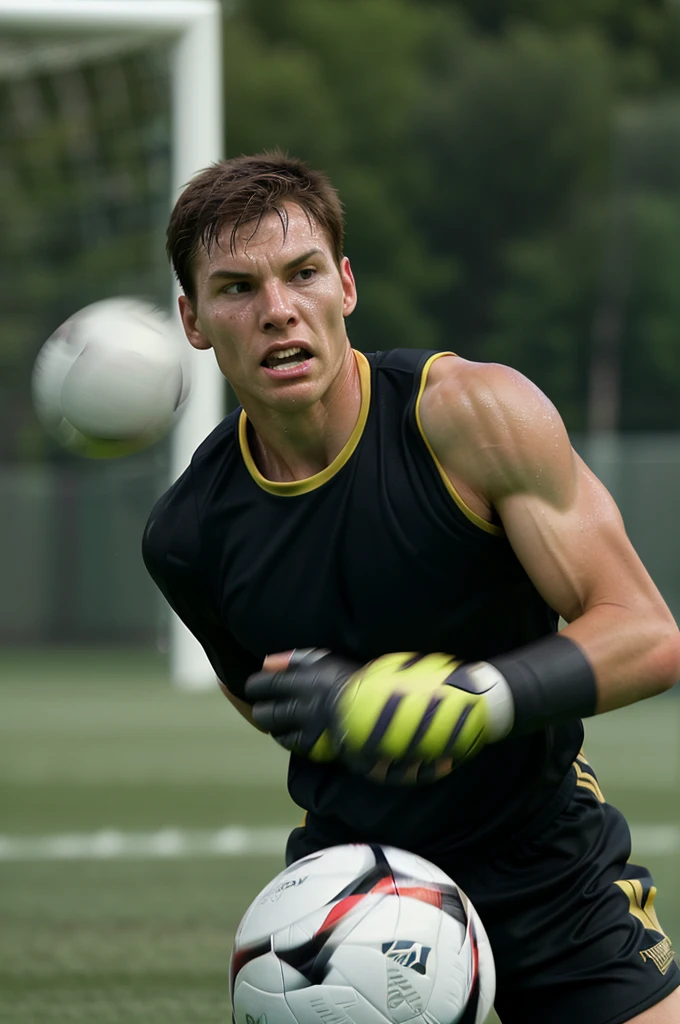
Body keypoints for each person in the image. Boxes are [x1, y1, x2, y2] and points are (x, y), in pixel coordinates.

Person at [142, 150, 680, 1023]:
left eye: (302, 274)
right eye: (237, 288)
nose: (279, 311)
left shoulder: (469, 416)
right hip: (350, 897)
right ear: (194, 321)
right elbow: (268, 699)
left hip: (546, 861)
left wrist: (473, 701)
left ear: (345, 286)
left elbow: (647, 634)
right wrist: (351, 721)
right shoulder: (187, 536)